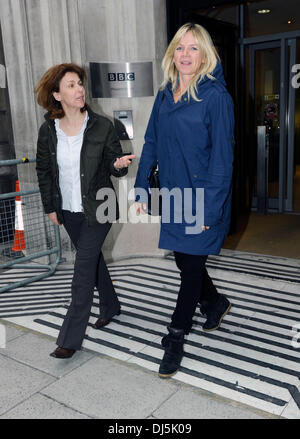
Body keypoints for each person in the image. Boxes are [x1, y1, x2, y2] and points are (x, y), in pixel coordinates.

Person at [134, 23, 234, 378]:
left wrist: (210, 210)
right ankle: (215, 302)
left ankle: (175, 336)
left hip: (204, 197)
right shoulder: (164, 94)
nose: (186, 55)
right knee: (184, 262)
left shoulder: (216, 97)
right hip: (174, 196)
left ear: (205, 54)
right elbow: (151, 143)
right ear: (172, 54)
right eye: (180, 48)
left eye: (194, 48)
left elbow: (223, 159)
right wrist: (141, 186)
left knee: (190, 269)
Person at [35, 63, 135, 359]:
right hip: (69, 211)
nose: (79, 89)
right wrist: (50, 206)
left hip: (99, 208)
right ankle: (111, 306)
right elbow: (44, 170)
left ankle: (69, 339)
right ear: (56, 94)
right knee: (93, 262)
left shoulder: (101, 125)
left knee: (81, 270)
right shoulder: (48, 131)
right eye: (70, 85)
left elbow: (114, 164)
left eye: (79, 83)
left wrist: (117, 165)